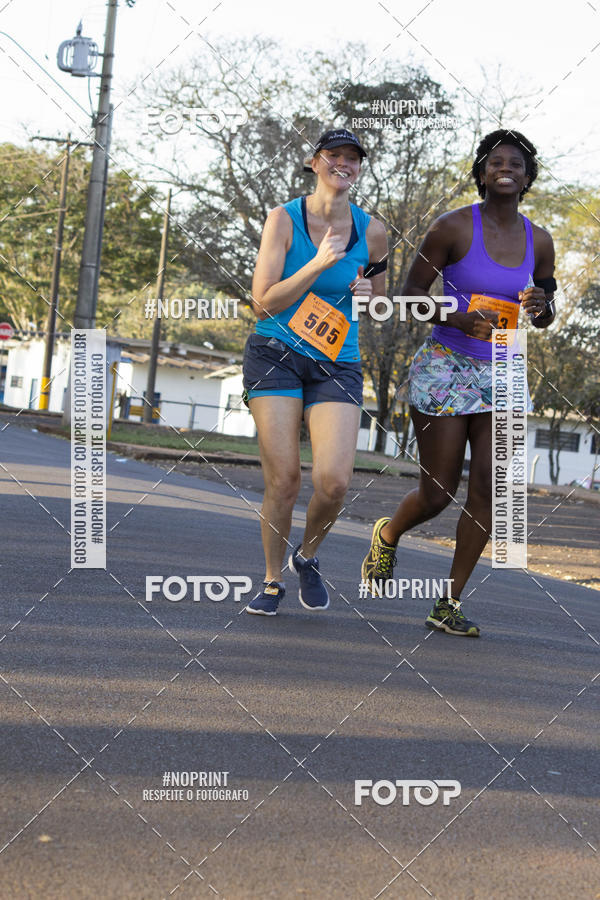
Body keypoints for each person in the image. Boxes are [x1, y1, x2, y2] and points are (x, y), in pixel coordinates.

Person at [361, 129, 556, 636]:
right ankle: (389, 532)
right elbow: (408, 295)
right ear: (483, 173)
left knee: (492, 490)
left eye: (516, 163)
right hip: (448, 366)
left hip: (505, 371)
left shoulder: (542, 241)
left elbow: (544, 311)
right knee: (438, 492)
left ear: (528, 176)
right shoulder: (451, 227)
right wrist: (456, 318)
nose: (506, 168)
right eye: (496, 162)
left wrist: (542, 307)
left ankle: (447, 602)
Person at [243, 128, 388, 615]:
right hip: (276, 351)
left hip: (336, 360)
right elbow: (263, 302)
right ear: (314, 162)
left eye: (353, 158)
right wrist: (317, 265)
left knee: (334, 483)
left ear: (359, 168)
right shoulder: (283, 220)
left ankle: (307, 557)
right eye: (334, 155)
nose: (343, 163)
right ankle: (270, 580)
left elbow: (380, 301)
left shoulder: (373, 231)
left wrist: (371, 299)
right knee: (284, 479)